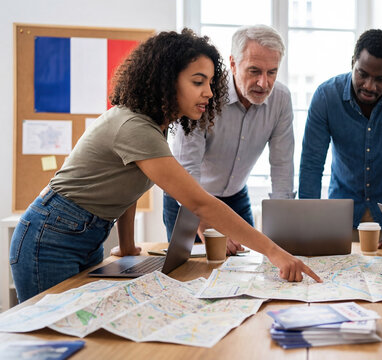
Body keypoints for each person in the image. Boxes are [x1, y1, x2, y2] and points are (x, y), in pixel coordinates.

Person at [9, 29, 320, 303]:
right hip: (50, 237)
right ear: (167, 81)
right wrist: (274, 251)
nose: (209, 93)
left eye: (211, 82)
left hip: (82, 235)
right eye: (198, 82)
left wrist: (129, 245)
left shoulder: (154, 126)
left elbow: (127, 187)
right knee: (50, 339)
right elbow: (198, 201)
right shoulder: (135, 128)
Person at [164, 25, 295, 255]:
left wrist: (284, 228)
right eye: (254, 71)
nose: (264, 83)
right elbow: (188, 167)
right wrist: (204, 224)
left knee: (251, 267)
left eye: (272, 72)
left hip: (235, 196)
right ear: (233, 64)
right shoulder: (204, 94)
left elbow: (282, 166)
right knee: (188, 275)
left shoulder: (281, 99)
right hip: (187, 194)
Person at [298, 29, 382, 251]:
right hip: (339, 219)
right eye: (362, 74)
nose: (369, 85)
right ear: (352, 62)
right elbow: (311, 164)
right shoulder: (326, 96)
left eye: (380, 79)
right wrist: (308, 226)